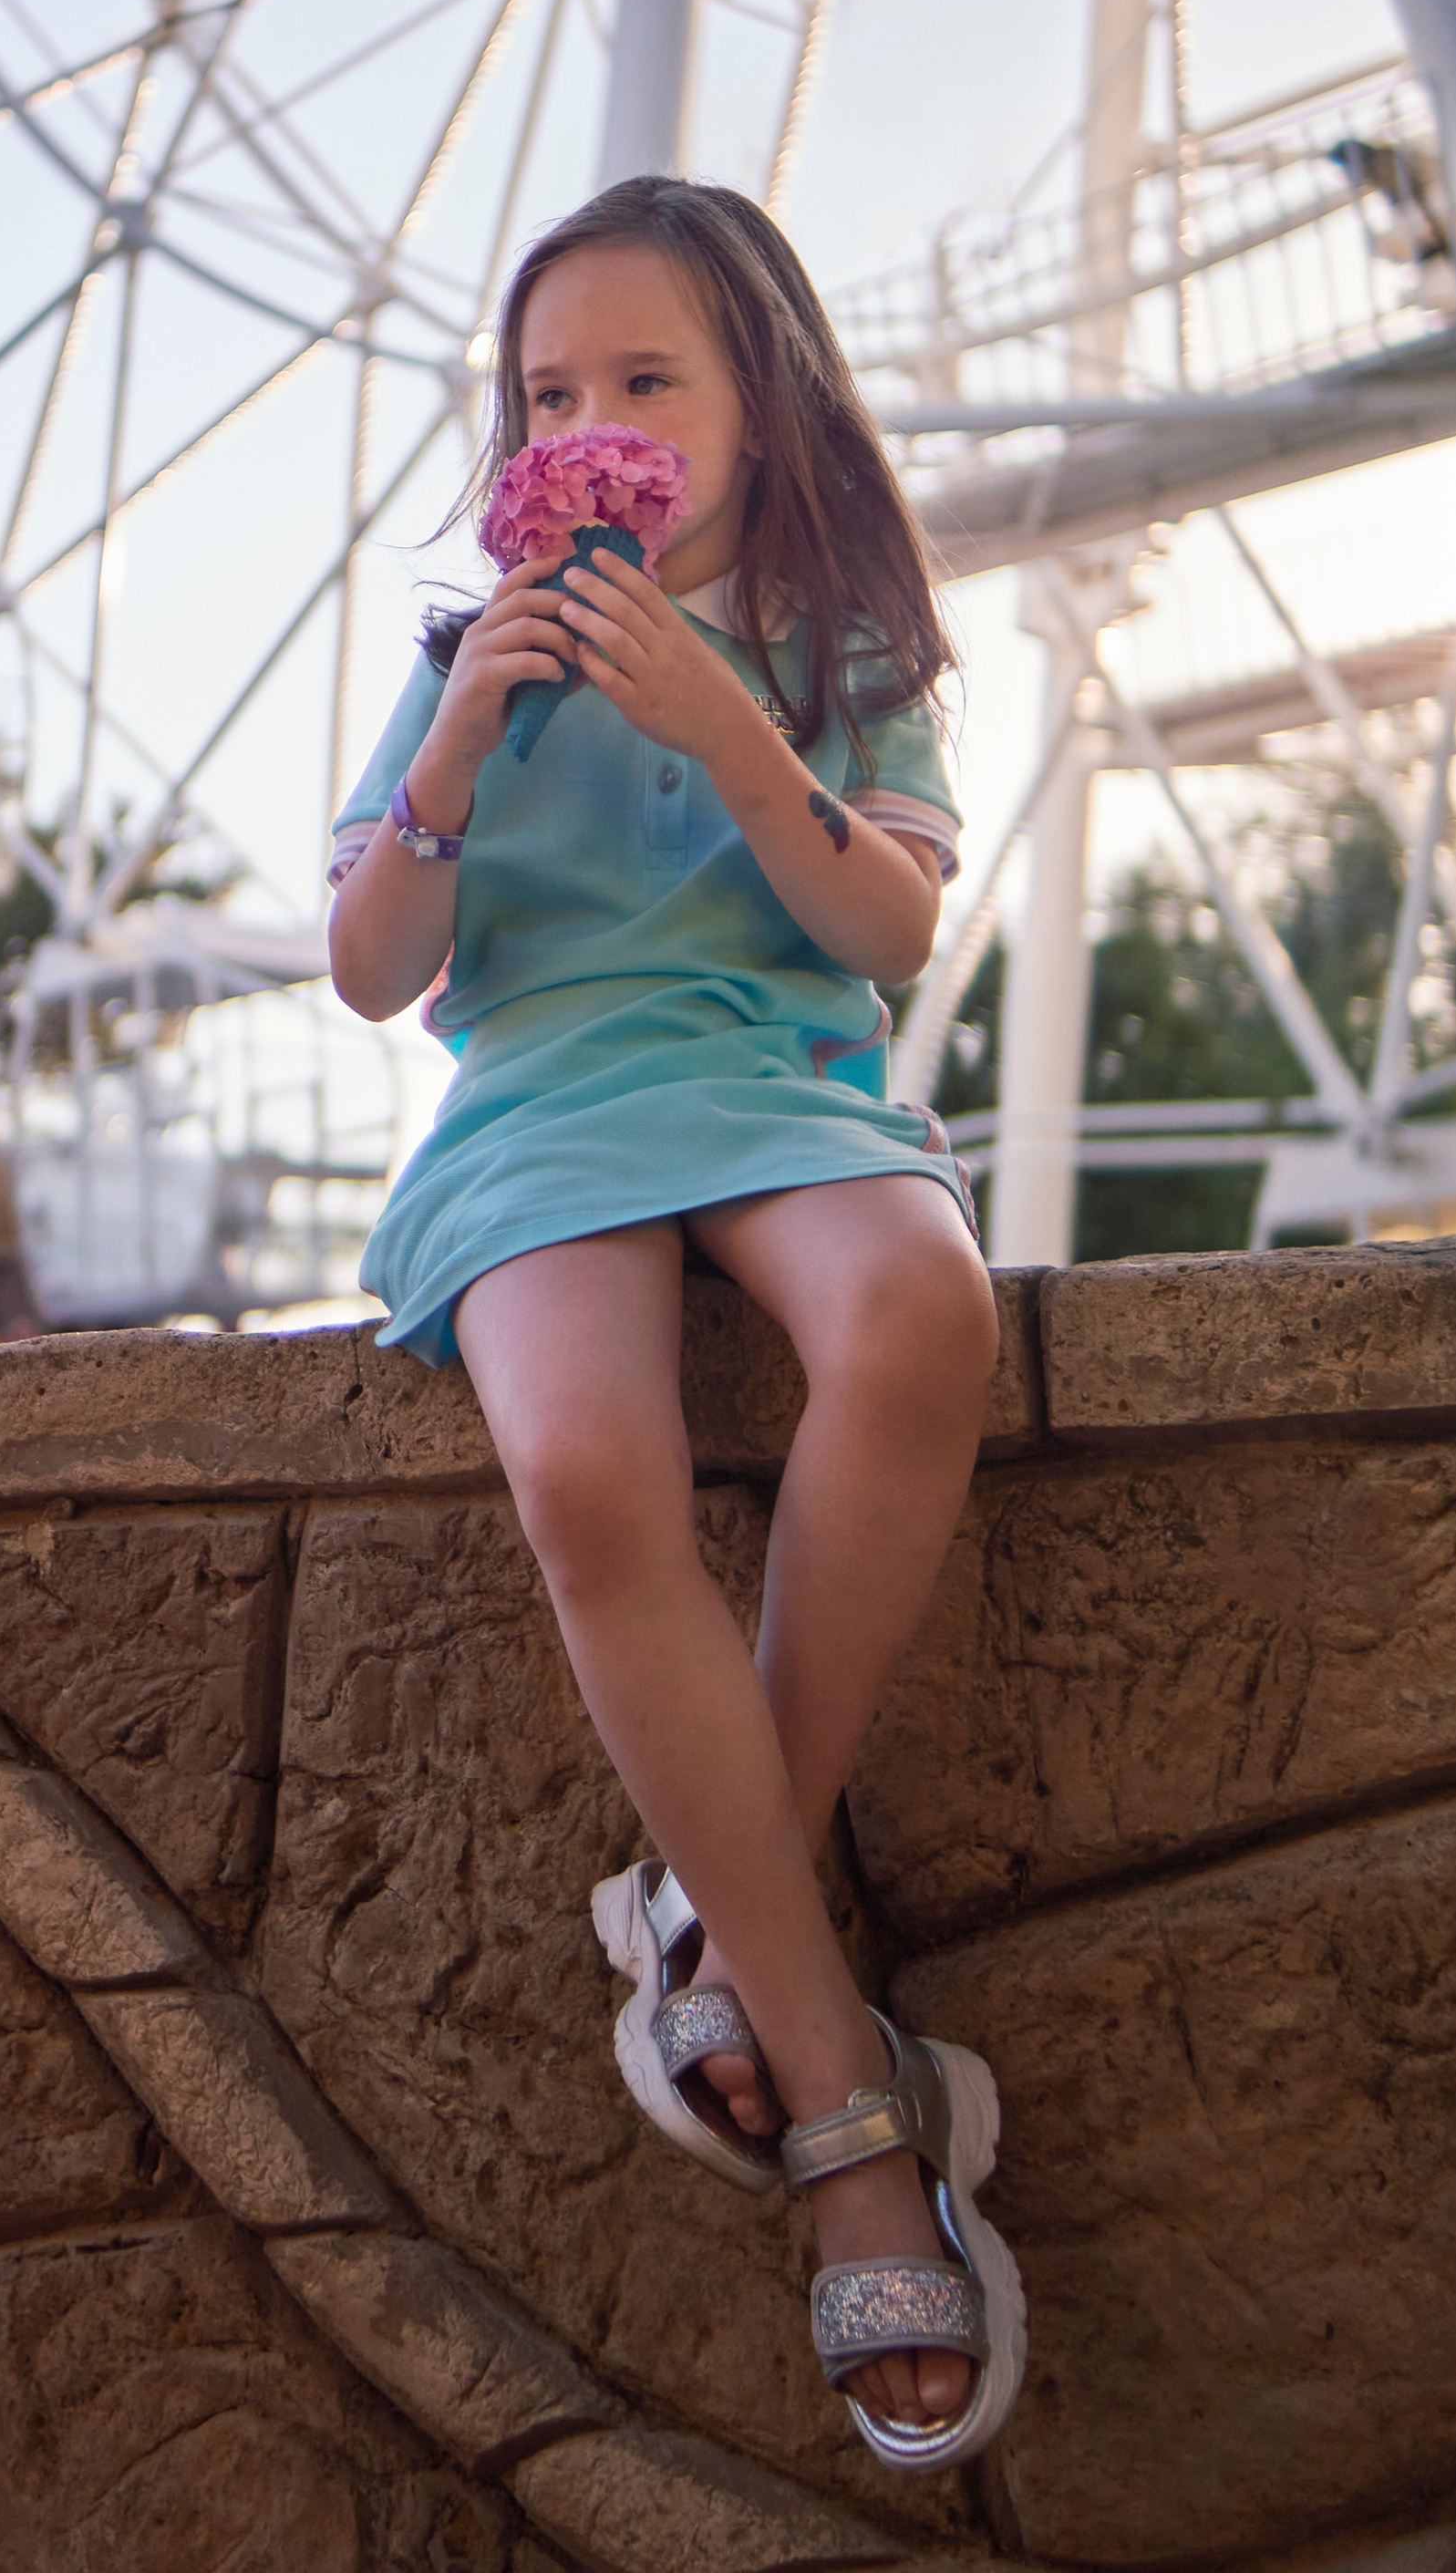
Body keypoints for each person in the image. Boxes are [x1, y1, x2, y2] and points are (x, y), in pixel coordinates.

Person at [325, 175, 1023, 2474]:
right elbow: (371, 969)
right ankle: (833, 2093)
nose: (588, 427)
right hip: (537, 1108)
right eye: (547, 394)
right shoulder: (469, 658)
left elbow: (887, 932)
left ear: (757, 403)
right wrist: (455, 749)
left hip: (775, 1075)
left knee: (914, 1317)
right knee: (583, 1465)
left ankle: (712, 1935)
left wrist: (727, 729)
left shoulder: (843, 647)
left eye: (642, 379)